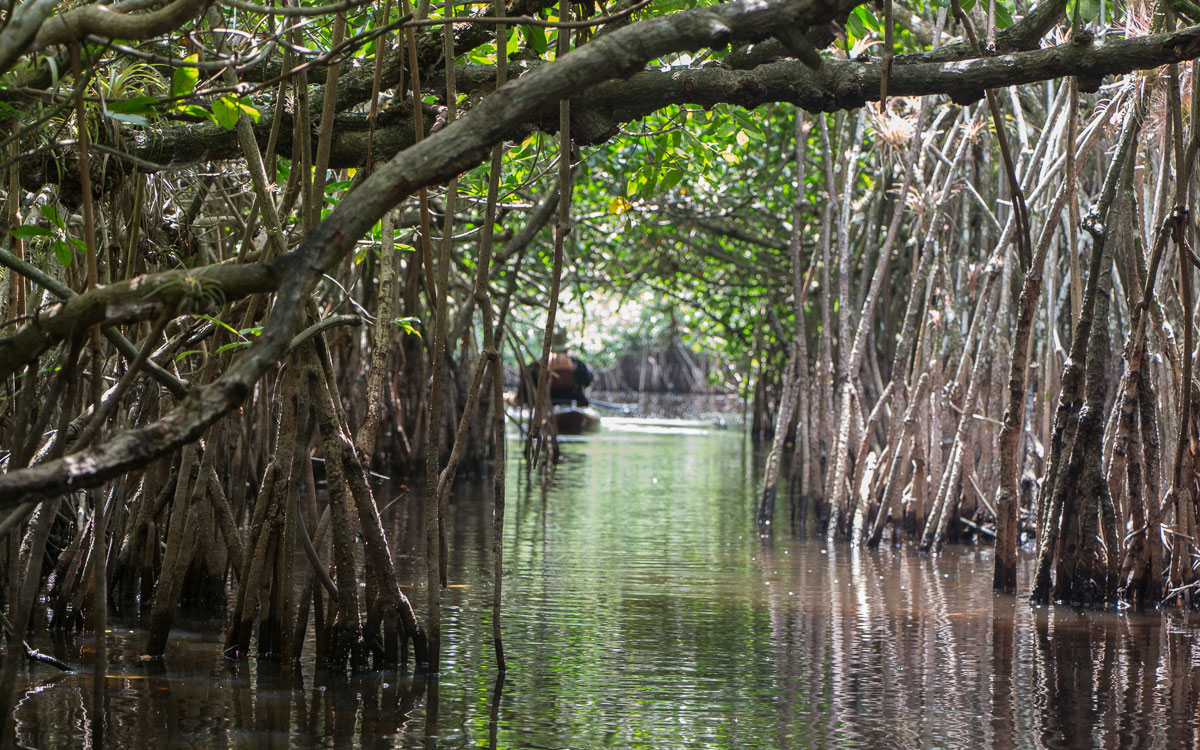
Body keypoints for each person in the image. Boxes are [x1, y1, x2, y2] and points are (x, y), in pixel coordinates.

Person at [520, 326, 593, 406]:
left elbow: (525, 390)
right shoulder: (578, 364)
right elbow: (587, 380)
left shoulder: (534, 366)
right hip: (573, 403)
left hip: (544, 405)